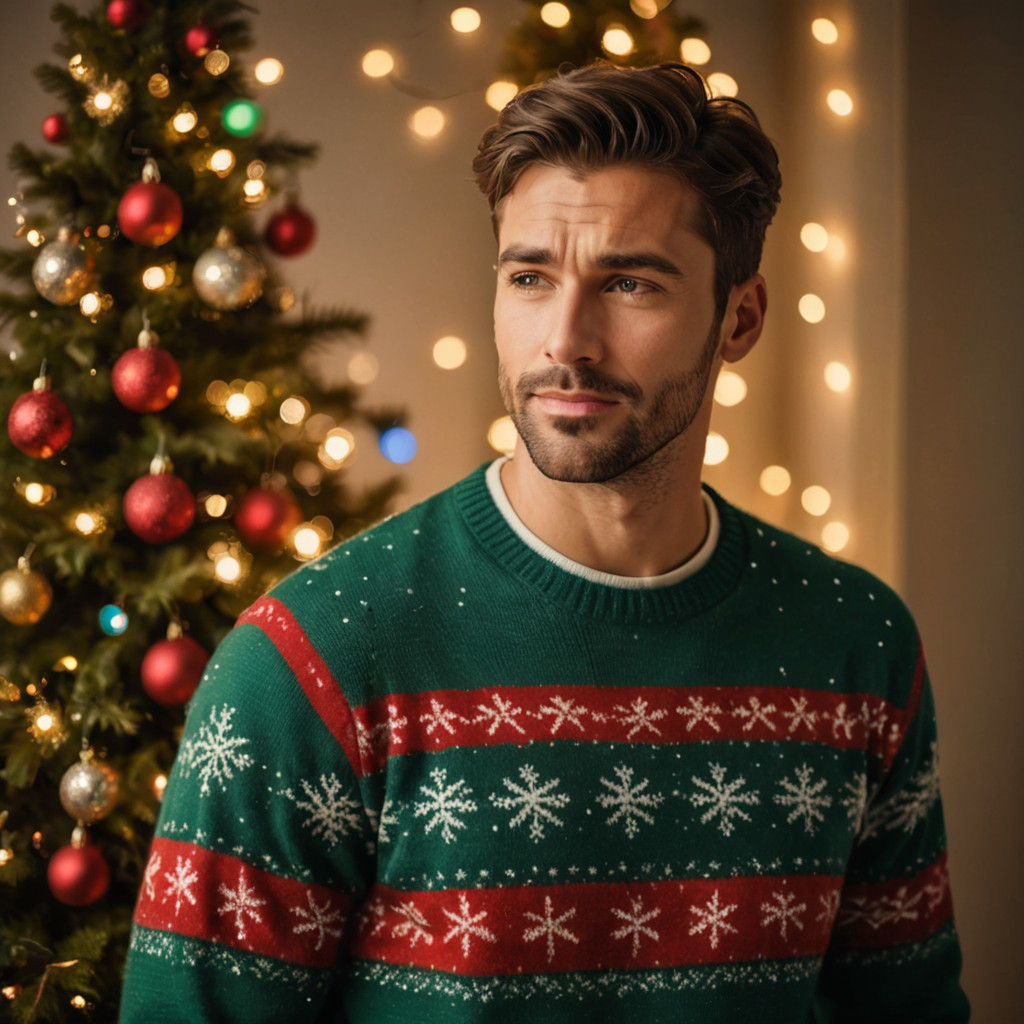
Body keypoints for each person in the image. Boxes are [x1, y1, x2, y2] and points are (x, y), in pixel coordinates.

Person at [119, 63, 970, 1022]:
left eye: (631, 283)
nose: (567, 340)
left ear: (741, 317)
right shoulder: (311, 661)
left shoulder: (858, 642)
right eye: (530, 278)